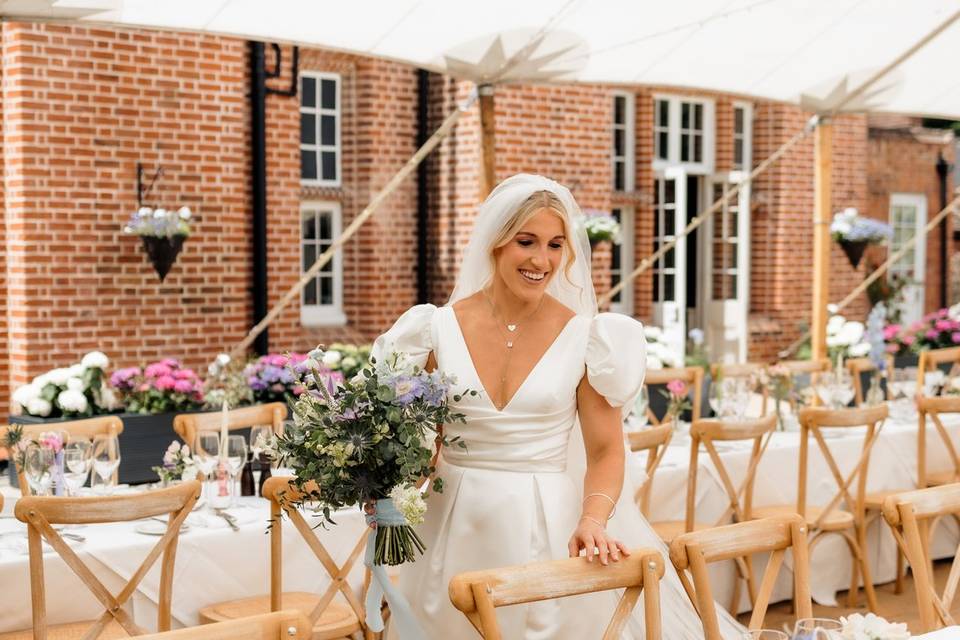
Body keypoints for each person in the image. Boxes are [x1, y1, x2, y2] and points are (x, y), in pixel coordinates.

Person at [373, 174, 742, 638]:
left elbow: (607, 451)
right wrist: (384, 478)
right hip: (450, 521)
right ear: (496, 244)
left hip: (547, 523)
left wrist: (593, 520)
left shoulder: (587, 339)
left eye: (554, 244)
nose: (541, 260)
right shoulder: (433, 330)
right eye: (526, 242)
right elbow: (421, 442)